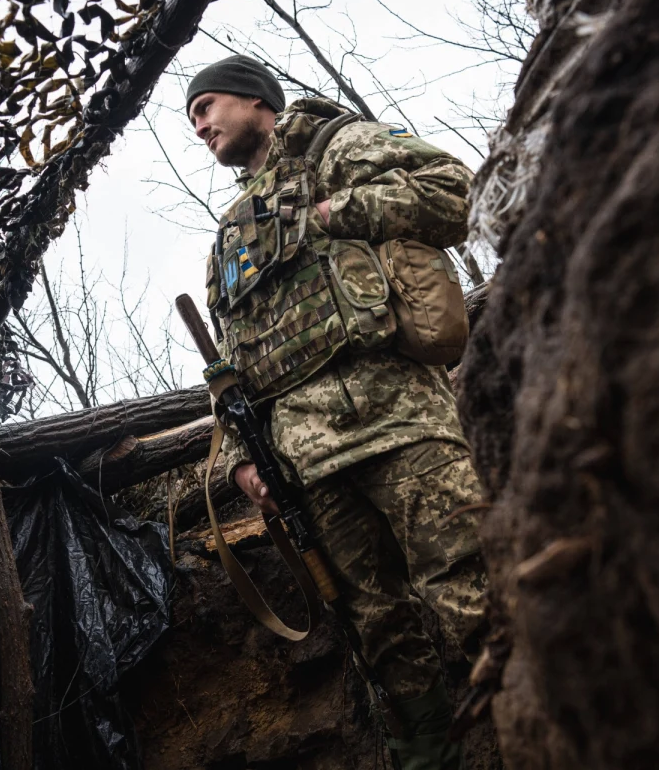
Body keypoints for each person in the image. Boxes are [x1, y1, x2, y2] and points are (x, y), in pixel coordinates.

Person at [186, 54, 487, 770]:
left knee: (472, 582)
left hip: (399, 419)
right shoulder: (227, 237)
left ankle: (559, 724)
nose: (198, 123)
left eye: (207, 105)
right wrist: (242, 460)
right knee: (379, 631)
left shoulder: (334, 148)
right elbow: (233, 361)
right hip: (308, 462)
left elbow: (458, 192)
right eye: (192, 116)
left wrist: (332, 213)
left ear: (258, 101)